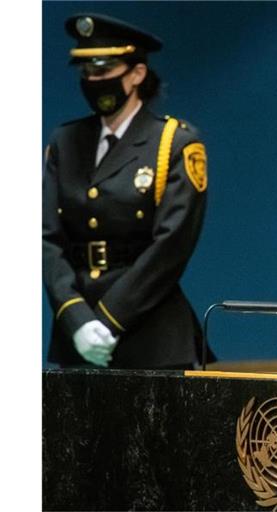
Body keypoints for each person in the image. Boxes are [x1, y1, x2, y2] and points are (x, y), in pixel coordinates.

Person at [43, 13, 210, 369]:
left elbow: (171, 246)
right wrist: (76, 319)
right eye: (86, 73)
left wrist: (107, 321)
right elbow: (45, 238)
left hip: (150, 332)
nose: (93, 81)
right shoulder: (65, 141)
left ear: (136, 74)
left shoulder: (173, 142)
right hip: (77, 334)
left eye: (103, 71)